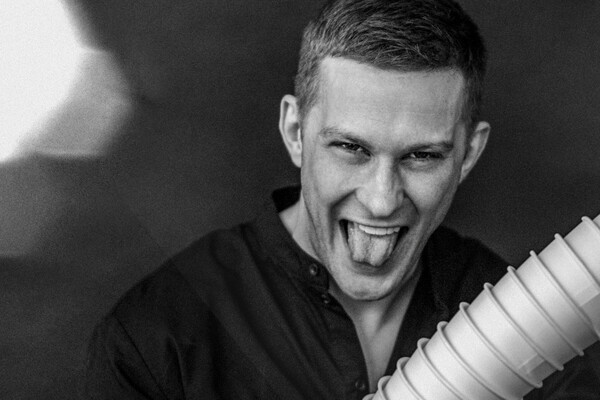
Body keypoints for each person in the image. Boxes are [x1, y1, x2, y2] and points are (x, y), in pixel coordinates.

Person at [83, 0, 600, 399]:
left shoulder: (529, 317)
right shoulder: (159, 337)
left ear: (468, 155)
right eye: (352, 148)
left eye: (422, 156)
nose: (381, 200)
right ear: (295, 132)